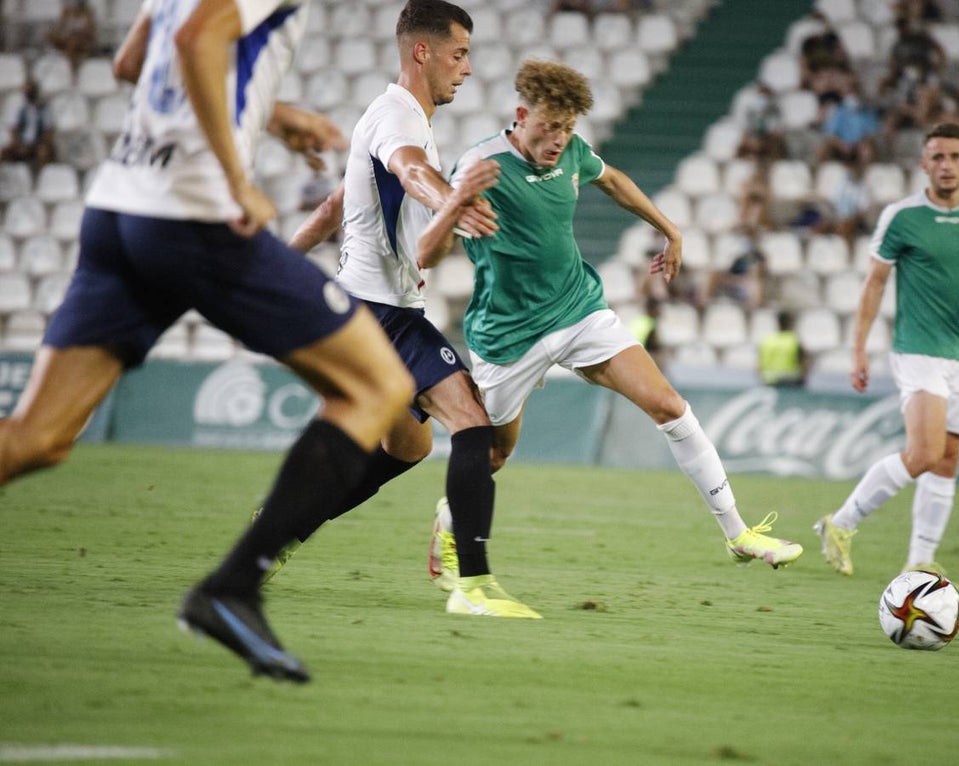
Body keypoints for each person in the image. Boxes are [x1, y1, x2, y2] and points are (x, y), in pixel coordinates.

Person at [0, 0, 417, 684]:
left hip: (120, 208)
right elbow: (199, 37)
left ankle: (232, 590)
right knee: (378, 388)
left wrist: (270, 116)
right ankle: (232, 588)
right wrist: (234, 176)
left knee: (39, 436)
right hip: (194, 215)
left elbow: (134, 62)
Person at [420, 59, 805, 579]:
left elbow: (614, 180)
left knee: (670, 406)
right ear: (521, 115)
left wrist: (669, 228)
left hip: (579, 312)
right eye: (549, 126)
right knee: (492, 457)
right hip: (507, 335)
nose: (559, 139)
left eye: (568, 129)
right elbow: (434, 250)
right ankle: (449, 521)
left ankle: (737, 533)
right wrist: (460, 200)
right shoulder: (479, 166)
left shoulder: (573, 152)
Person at [269, 0, 538, 619]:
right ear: (423, 51)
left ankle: (281, 529)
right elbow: (410, 171)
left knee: (408, 448)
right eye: (459, 53)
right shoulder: (397, 119)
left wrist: (281, 262)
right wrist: (453, 201)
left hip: (372, 306)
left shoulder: (397, 116)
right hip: (382, 312)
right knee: (473, 424)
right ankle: (473, 584)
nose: (466, 68)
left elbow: (339, 202)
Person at [813, 123, 959, 580]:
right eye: (937, 157)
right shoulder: (902, 216)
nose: (946, 165)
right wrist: (858, 350)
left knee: (947, 460)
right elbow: (875, 283)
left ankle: (919, 561)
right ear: (924, 165)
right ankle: (839, 524)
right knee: (924, 452)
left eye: (954, 157)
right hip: (917, 348)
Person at [0, 79, 56, 170]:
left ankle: (41, 177)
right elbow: (13, 129)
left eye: (31, 91)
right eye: (27, 91)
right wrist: (19, 144)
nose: (29, 93)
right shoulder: (19, 108)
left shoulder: (43, 108)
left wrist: (40, 143)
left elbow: (49, 130)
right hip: (21, 144)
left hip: (37, 145)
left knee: (44, 152)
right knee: (3, 153)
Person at [758, 310, 809, 387]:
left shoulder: (767, 340)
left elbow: (759, 365)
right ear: (789, 323)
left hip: (769, 381)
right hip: (790, 380)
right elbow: (804, 362)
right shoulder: (794, 340)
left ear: (777, 323)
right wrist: (803, 380)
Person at [46, 0, 97, 72]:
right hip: (67, 37)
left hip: (81, 40)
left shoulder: (88, 14)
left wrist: (77, 34)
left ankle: (73, 68)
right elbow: (60, 28)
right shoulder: (66, 12)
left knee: (72, 43)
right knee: (49, 35)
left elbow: (90, 31)